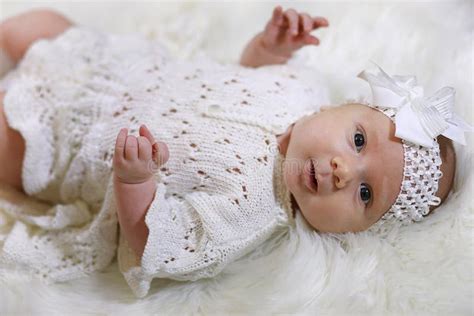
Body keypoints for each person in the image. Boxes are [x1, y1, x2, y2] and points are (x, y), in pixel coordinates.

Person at [0, 6, 469, 298]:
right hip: (109, 67)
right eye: (359, 141)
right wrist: (271, 47)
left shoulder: (249, 216)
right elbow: (248, 72)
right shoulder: (300, 85)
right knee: (38, 26)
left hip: (68, 143)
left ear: (354, 231)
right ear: (338, 106)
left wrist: (136, 181)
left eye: (365, 194)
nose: (343, 171)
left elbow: (156, 244)